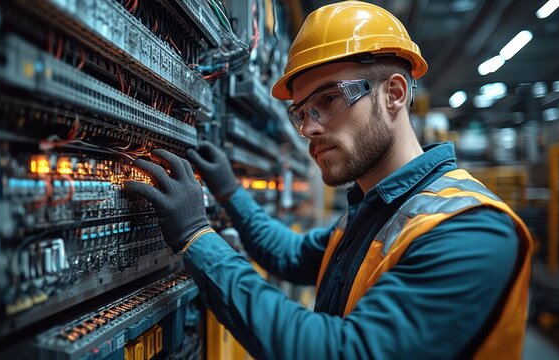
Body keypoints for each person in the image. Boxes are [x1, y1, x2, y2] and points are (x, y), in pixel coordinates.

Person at [125, 1, 533, 358]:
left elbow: (335, 351)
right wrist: (230, 191)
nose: (309, 130)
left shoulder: (470, 231)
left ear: (394, 94)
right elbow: (288, 254)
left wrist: (198, 236)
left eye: (330, 99)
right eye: (301, 112)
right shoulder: (381, 210)